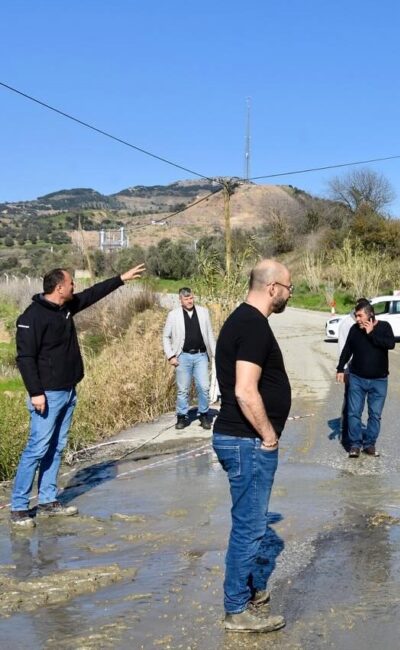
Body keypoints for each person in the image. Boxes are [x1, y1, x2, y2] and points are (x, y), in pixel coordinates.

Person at [10, 264, 145, 529]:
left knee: (57, 447)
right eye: (71, 283)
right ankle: (18, 507)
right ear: (59, 287)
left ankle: (48, 500)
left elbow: (94, 293)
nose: (74, 287)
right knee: (37, 449)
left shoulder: (66, 307)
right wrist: (36, 393)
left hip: (68, 390)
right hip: (47, 395)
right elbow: (24, 358)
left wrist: (120, 279)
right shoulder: (32, 316)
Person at [211, 259, 293, 633]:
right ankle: (235, 609)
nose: (290, 294)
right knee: (250, 526)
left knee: (250, 520)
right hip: (247, 442)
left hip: (243, 440)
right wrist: (269, 435)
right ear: (272, 287)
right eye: (289, 287)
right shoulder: (252, 325)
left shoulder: (243, 321)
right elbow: (246, 391)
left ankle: (248, 590)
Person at [336, 301, 395, 458]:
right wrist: (340, 368)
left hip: (379, 381)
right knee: (354, 412)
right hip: (357, 378)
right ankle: (355, 445)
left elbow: (390, 344)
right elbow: (347, 349)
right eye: (356, 316)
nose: (357, 319)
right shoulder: (354, 330)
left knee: (375, 414)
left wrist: (371, 334)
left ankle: (369, 444)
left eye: (360, 315)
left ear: (370, 314)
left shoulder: (384, 327)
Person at [162, 287, 216, 430]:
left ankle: (204, 415)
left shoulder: (204, 312)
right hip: (183, 356)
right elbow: (166, 336)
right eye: (186, 299)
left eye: (191, 298)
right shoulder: (173, 315)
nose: (189, 301)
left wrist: (216, 353)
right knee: (183, 389)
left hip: (201, 355)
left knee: (204, 387)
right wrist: (171, 355)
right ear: (180, 300)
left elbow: (210, 334)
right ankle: (182, 416)